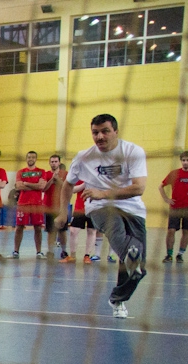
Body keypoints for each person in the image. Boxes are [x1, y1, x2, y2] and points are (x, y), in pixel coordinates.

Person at [56, 114, 148, 319]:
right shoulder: (84, 157)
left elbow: (139, 188)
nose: (99, 136)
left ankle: (117, 299)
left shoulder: (133, 152)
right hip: (99, 207)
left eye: (105, 131)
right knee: (120, 234)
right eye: (95, 132)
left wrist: (103, 193)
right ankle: (132, 255)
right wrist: (63, 212)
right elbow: (68, 184)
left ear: (115, 131)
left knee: (138, 269)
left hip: (132, 209)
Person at [11, 151, 47, 259]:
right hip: (23, 203)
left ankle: (39, 252)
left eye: (33, 157)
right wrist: (35, 185)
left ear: (36, 159)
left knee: (38, 228)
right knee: (19, 227)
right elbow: (18, 186)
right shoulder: (20, 172)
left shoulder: (41, 171)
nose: (31, 159)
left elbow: (42, 186)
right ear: (26, 159)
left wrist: (26, 183)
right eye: (29, 157)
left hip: (37, 204)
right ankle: (16, 251)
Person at [59, 181, 97, 264]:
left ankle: (87, 256)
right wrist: (84, 185)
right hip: (79, 208)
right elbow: (73, 189)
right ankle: (72, 256)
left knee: (91, 231)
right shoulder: (80, 176)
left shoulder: (96, 177)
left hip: (93, 208)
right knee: (73, 231)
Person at [43, 154, 68, 260]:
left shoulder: (65, 174)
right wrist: (51, 180)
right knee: (50, 230)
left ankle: (64, 251)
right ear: (49, 163)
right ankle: (50, 251)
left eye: (55, 161)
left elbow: (67, 187)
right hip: (49, 206)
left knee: (62, 230)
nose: (53, 163)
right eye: (52, 162)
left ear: (59, 163)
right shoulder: (46, 174)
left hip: (61, 206)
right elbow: (43, 188)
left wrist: (58, 180)